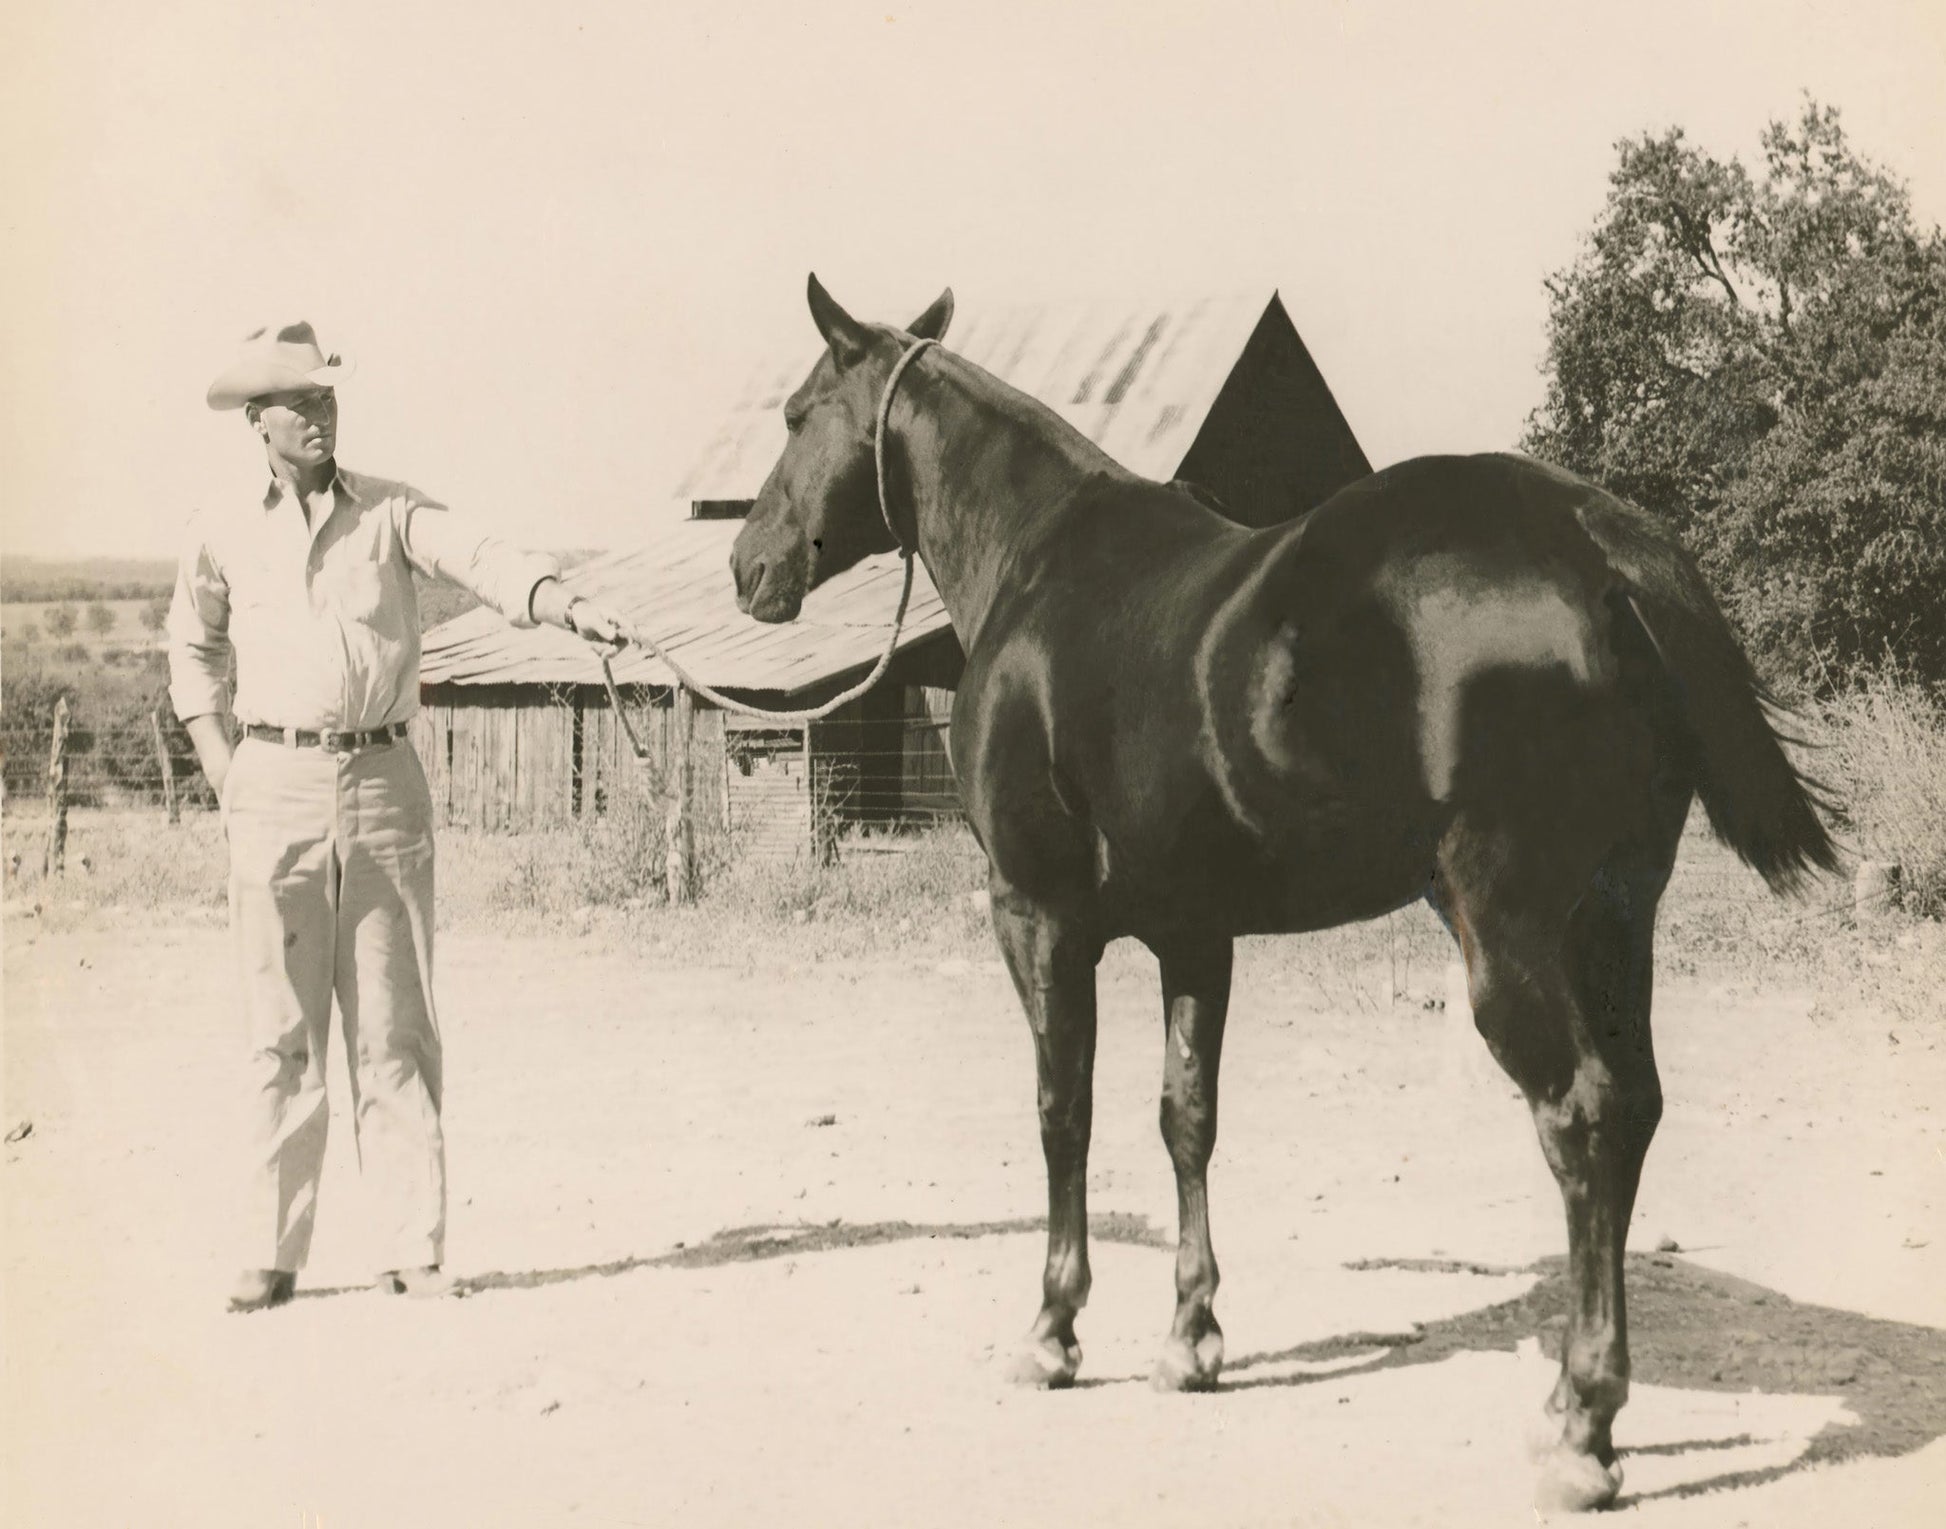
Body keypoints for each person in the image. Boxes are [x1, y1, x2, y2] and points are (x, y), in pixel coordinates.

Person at [170, 320, 628, 1313]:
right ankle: (270, 1250)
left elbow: (478, 551)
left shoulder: (388, 512)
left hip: (382, 784)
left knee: (393, 1025)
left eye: (329, 397)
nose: (322, 414)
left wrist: (558, 599)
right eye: (301, 401)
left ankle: (411, 1248)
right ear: (258, 419)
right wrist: (224, 768)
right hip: (272, 786)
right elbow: (192, 649)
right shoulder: (219, 524)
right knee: (278, 1028)